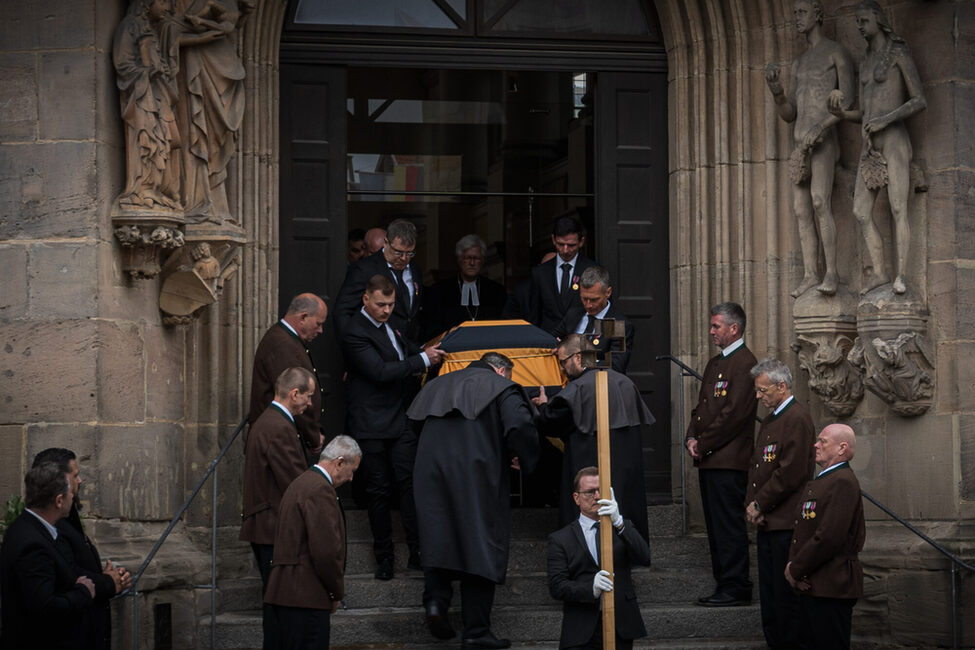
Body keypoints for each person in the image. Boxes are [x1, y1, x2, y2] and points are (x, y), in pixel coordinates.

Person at [407, 352, 540, 648]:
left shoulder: (437, 384)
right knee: (481, 545)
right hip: (478, 477)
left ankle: (435, 604)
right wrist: (523, 458)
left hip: (431, 475)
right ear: (502, 371)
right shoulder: (501, 387)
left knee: (438, 537)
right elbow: (519, 425)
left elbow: (414, 425)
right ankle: (476, 631)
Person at [342, 274, 445, 580]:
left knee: (410, 485)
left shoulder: (392, 324)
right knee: (378, 491)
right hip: (371, 424)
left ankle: (417, 553)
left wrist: (431, 351)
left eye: (390, 304)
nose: (386, 310)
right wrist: (423, 360)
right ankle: (384, 558)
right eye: (380, 304)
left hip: (400, 420)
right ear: (366, 299)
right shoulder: (354, 331)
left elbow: (410, 351)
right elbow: (380, 372)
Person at [828, 0, 926, 295]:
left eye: (864, 20)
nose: (859, 26)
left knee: (898, 207)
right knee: (860, 210)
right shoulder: (865, 60)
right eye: (856, 21)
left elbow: (919, 100)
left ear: (878, 20)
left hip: (894, 140)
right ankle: (880, 272)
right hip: (870, 145)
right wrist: (842, 114)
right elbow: (864, 112)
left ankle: (902, 275)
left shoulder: (898, 52)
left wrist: (886, 119)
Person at [765, 0, 855, 297]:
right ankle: (810, 273)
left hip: (824, 141)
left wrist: (823, 126)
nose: (797, 18)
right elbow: (789, 112)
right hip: (800, 143)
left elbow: (849, 101)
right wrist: (777, 92)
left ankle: (832, 272)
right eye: (794, 13)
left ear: (818, 15)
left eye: (802, 13)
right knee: (800, 210)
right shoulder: (799, 62)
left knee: (819, 202)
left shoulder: (835, 52)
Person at [534, 334, 654, 542]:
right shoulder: (625, 383)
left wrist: (543, 405)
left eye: (563, 362)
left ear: (578, 357)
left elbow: (551, 422)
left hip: (589, 474)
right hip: (624, 476)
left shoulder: (578, 388)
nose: (562, 369)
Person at [684, 301, 757, 607]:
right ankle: (724, 583)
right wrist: (691, 436)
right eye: (712, 325)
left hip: (729, 460)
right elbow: (703, 407)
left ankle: (735, 585)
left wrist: (703, 444)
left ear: (734, 328)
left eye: (716, 326)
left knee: (728, 526)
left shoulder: (745, 362)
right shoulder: (716, 363)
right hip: (710, 459)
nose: (711, 331)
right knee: (715, 526)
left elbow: (734, 415)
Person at [240, 367, 318, 650]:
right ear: (294, 393)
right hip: (274, 529)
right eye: (308, 396)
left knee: (277, 604)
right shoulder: (278, 427)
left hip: (268, 526)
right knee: (282, 607)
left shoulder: (270, 421)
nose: (310, 403)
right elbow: (296, 484)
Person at [263, 435, 362, 650]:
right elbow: (326, 552)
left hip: (284, 594)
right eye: (351, 470)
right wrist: (335, 592)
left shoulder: (300, 482)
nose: (351, 478)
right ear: (339, 463)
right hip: (305, 598)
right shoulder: (320, 489)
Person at [745, 359, 816, 649]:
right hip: (768, 521)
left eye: (763, 390)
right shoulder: (772, 418)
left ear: (782, 386)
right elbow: (758, 467)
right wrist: (754, 505)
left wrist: (760, 504)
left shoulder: (797, 418)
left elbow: (790, 472)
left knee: (786, 599)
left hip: (786, 522)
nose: (758, 396)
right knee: (770, 594)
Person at [29, 449, 130, 650]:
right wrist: (109, 581)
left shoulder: (65, 519)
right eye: (75, 476)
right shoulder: (49, 526)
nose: (80, 481)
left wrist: (106, 576)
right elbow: (69, 575)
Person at [547, 467, 651, 650]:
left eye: (600, 490)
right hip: (581, 628)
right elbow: (557, 586)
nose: (596, 496)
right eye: (589, 492)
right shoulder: (560, 539)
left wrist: (619, 522)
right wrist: (590, 588)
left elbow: (644, 557)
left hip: (620, 625)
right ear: (576, 498)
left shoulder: (622, 527)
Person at [785, 424, 865, 650]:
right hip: (815, 582)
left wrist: (795, 569)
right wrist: (797, 568)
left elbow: (829, 536)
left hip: (831, 584)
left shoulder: (842, 481)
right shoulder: (825, 480)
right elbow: (804, 529)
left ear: (842, 448)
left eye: (823, 441)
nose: (815, 445)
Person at [0, 462, 95, 650]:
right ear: (59, 501)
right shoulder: (31, 543)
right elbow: (45, 608)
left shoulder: (32, 528)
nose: (73, 496)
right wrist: (83, 592)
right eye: (70, 493)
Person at [248, 293, 327, 464]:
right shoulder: (281, 344)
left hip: (285, 438)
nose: (320, 330)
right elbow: (294, 397)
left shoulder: (288, 340)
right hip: (280, 442)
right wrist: (313, 436)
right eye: (318, 324)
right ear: (303, 317)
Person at [334, 219, 424, 342]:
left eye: (409, 253)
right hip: (374, 345)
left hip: (410, 346)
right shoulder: (364, 269)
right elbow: (343, 311)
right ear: (386, 243)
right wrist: (354, 345)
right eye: (398, 252)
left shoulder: (415, 269)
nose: (404, 258)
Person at [422, 234, 507, 340]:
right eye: (467, 258)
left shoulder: (496, 291)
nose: (472, 263)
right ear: (459, 260)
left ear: (482, 261)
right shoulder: (440, 291)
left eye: (476, 258)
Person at [553, 265, 634, 374]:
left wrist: (582, 361)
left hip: (597, 382)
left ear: (608, 292)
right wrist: (559, 347)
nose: (588, 305)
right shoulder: (574, 314)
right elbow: (553, 338)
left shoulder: (616, 324)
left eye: (594, 300)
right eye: (584, 298)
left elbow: (616, 365)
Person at [530, 215, 597, 335]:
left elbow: (602, 312)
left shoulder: (593, 271)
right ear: (553, 240)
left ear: (581, 242)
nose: (565, 250)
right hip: (549, 341)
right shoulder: (540, 273)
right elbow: (534, 316)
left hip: (581, 341)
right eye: (560, 244)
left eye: (571, 245)